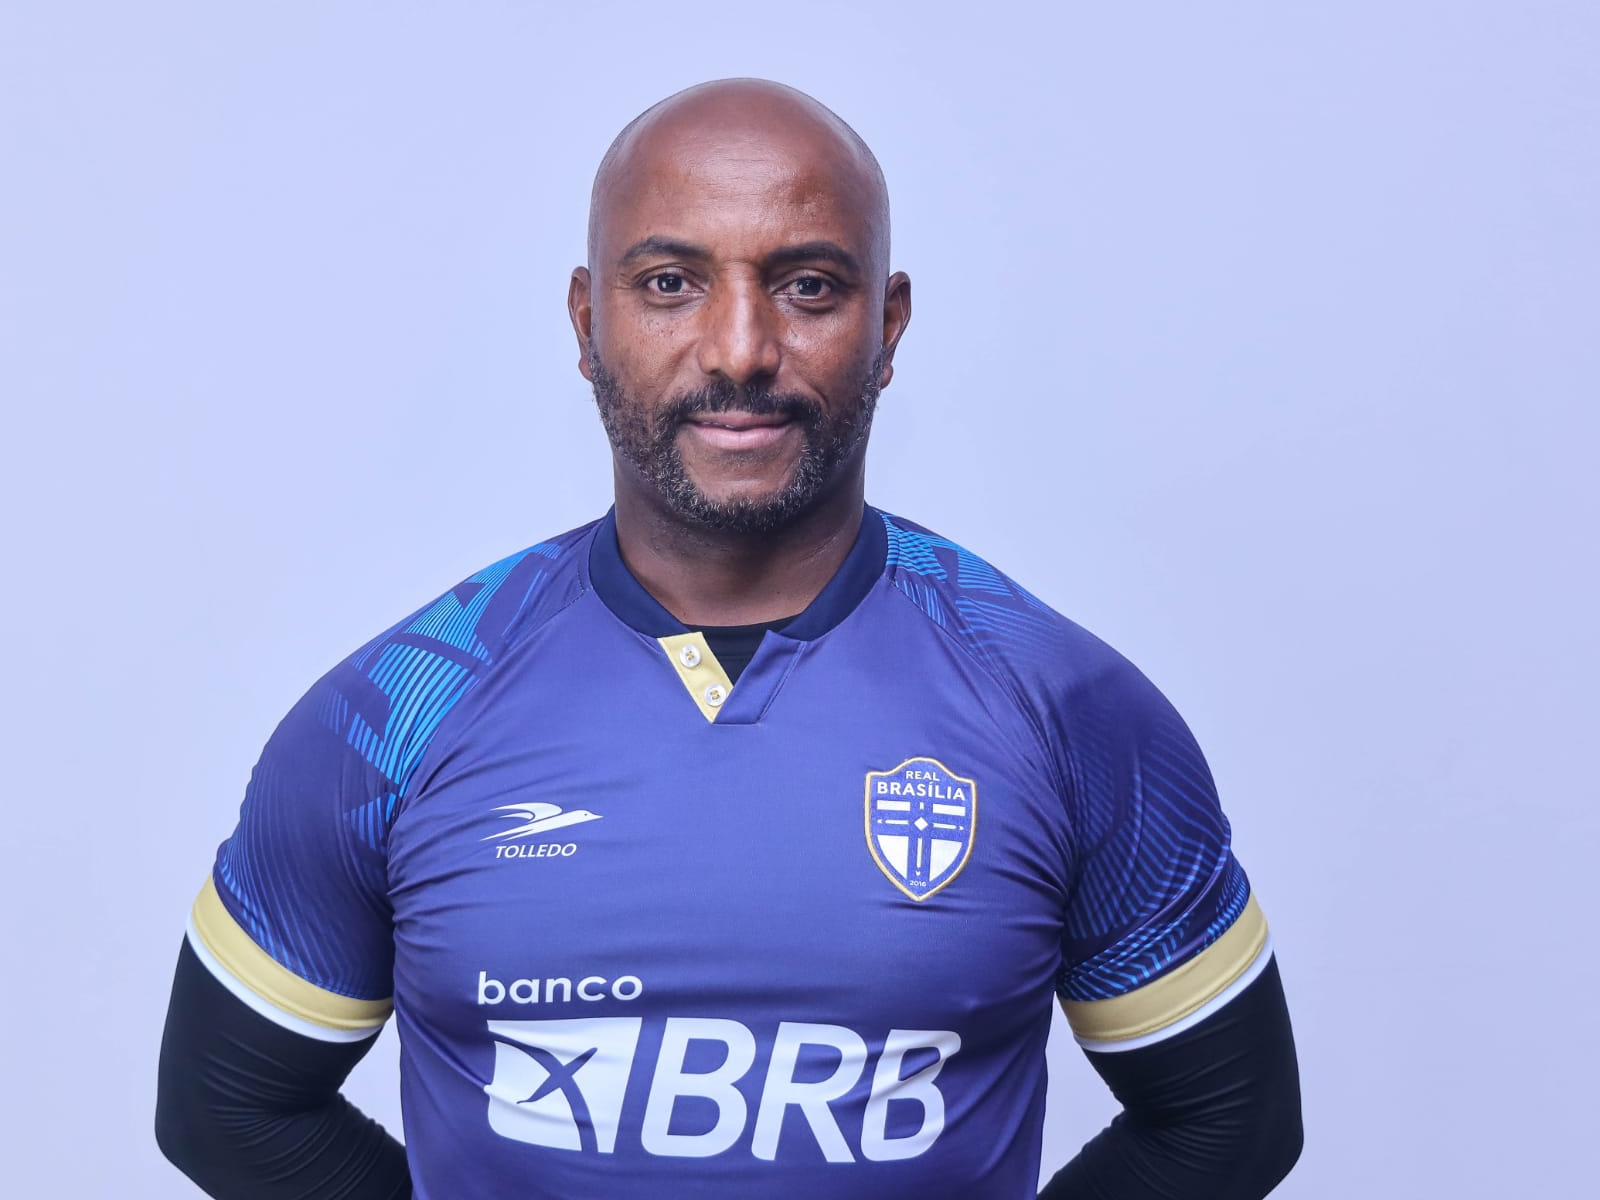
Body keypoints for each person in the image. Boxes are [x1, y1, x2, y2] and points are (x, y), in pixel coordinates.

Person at [155, 78, 1303, 1199]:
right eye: (670, 284)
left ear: (887, 325)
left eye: (808, 287)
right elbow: (228, 1106)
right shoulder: (395, 715)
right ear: (587, 322)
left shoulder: (1061, 706)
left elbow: (1227, 1120)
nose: (740, 349)